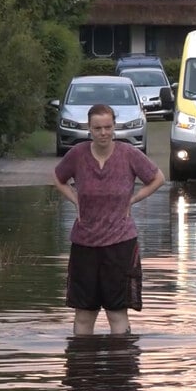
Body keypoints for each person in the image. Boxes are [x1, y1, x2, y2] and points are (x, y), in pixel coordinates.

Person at [54, 103, 165, 335]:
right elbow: (58, 178)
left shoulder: (129, 154)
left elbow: (158, 178)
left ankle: (121, 367)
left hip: (120, 242)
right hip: (84, 242)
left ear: (114, 127)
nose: (103, 133)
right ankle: (82, 366)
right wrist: (75, 199)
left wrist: (134, 199)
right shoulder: (77, 155)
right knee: (84, 312)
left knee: (117, 311)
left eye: (107, 127)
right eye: (97, 128)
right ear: (89, 129)